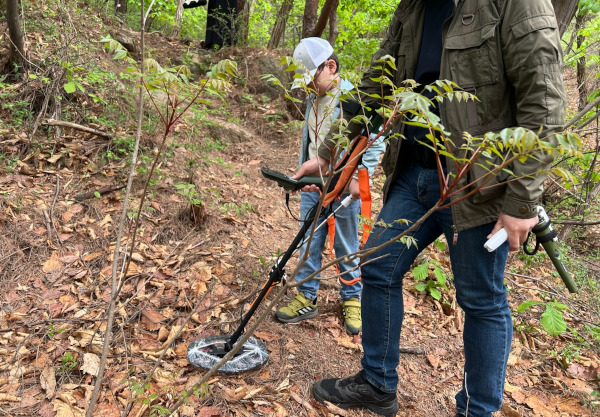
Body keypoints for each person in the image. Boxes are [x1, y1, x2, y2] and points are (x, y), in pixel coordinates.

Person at [295, 1, 567, 416]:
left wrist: (522, 200)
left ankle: (477, 409)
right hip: (413, 172)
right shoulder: (413, 7)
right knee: (379, 267)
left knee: (480, 300)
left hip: (477, 184)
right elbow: (375, 86)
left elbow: (544, 106)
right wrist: (331, 150)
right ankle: (377, 383)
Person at [274, 37, 385, 335]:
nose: (308, 87)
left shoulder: (352, 98)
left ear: (330, 67)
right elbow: (311, 142)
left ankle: (351, 298)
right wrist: (304, 175)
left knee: (345, 245)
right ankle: (306, 296)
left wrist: (359, 175)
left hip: (344, 188)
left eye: (311, 79)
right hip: (315, 186)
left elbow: (376, 141)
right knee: (309, 241)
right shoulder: (313, 98)